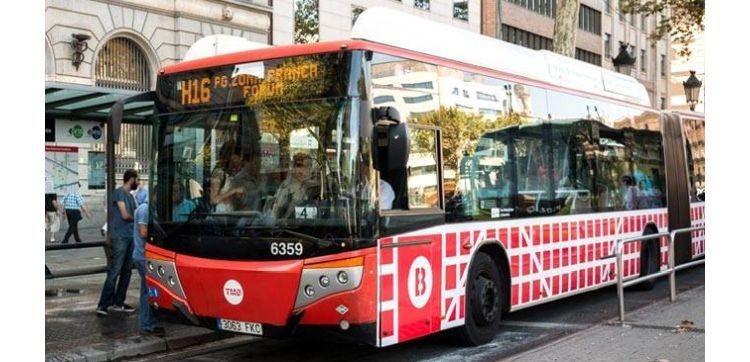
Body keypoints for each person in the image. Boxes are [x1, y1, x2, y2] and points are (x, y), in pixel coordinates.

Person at [96, 169, 139, 316]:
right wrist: (137, 217)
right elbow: (125, 214)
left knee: (126, 271)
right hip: (120, 237)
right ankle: (103, 304)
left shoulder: (131, 197)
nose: (138, 183)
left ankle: (119, 302)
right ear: (131, 179)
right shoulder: (119, 193)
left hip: (129, 236)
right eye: (137, 180)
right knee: (115, 270)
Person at [132, 189, 166, 336]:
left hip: (142, 255)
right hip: (142, 256)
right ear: (153, 195)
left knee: (145, 291)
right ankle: (147, 324)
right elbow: (143, 232)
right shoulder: (145, 209)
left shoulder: (147, 208)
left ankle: (146, 322)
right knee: (148, 292)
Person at [270, 153, 317, 219]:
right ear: (294, 168)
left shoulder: (306, 185)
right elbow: (276, 212)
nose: (304, 170)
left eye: (308, 166)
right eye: (300, 166)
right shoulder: (287, 188)